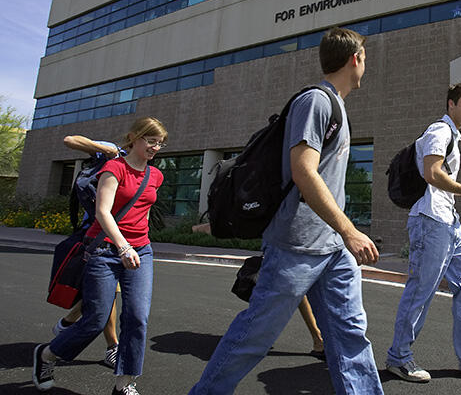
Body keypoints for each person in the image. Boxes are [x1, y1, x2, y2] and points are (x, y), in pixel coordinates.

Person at [188, 27, 383, 395]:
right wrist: (349, 230)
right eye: (365, 58)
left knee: (350, 337)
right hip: (297, 244)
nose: (366, 65)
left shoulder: (336, 106)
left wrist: (341, 234)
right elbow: (303, 171)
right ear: (354, 59)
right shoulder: (317, 102)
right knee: (254, 336)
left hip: (331, 249)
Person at [33, 117, 168, 395]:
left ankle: (124, 383)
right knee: (95, 319)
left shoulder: (156, 175)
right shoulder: (113, 167)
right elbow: (102, 212)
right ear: (134, 138)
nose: (156, 147)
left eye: (160, 143)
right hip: (106, 250)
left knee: (137, 318)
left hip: (141, 250)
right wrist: (122, 245)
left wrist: (137, 242)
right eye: (151, 140)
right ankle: (47, 355)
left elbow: (142, 211)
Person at [386, 82, 461, 382]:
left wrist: (458, 194)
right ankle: (399, 358)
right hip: (431, 221)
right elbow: (432, 172)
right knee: (421, 289)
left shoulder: (453, 136)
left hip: (449, 222)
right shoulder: (439, 132)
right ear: (451, 104)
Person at [51, 136, 123, 368]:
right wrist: (108, 150)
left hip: (122, 237)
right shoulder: (114, 154)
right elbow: (70, 140)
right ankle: (113, 346)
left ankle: (68, 321)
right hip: (97, 235)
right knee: (108, 291)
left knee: (104, 291)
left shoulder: (144, 167)